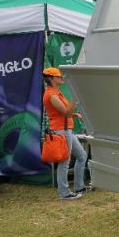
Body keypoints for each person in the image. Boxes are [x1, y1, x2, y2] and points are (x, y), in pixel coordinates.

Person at [42, 67, 91, 200]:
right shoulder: (51, 94)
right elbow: (66, 112)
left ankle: (79, 186)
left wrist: (72, 113)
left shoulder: (55, 92)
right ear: (51, 79)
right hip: (61, 131)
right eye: (59, 77)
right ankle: (64, 193)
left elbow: (64, 112)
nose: (61, 78)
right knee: (64, 162)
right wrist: (76, 96)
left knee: (81, 156)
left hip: (65, 129)